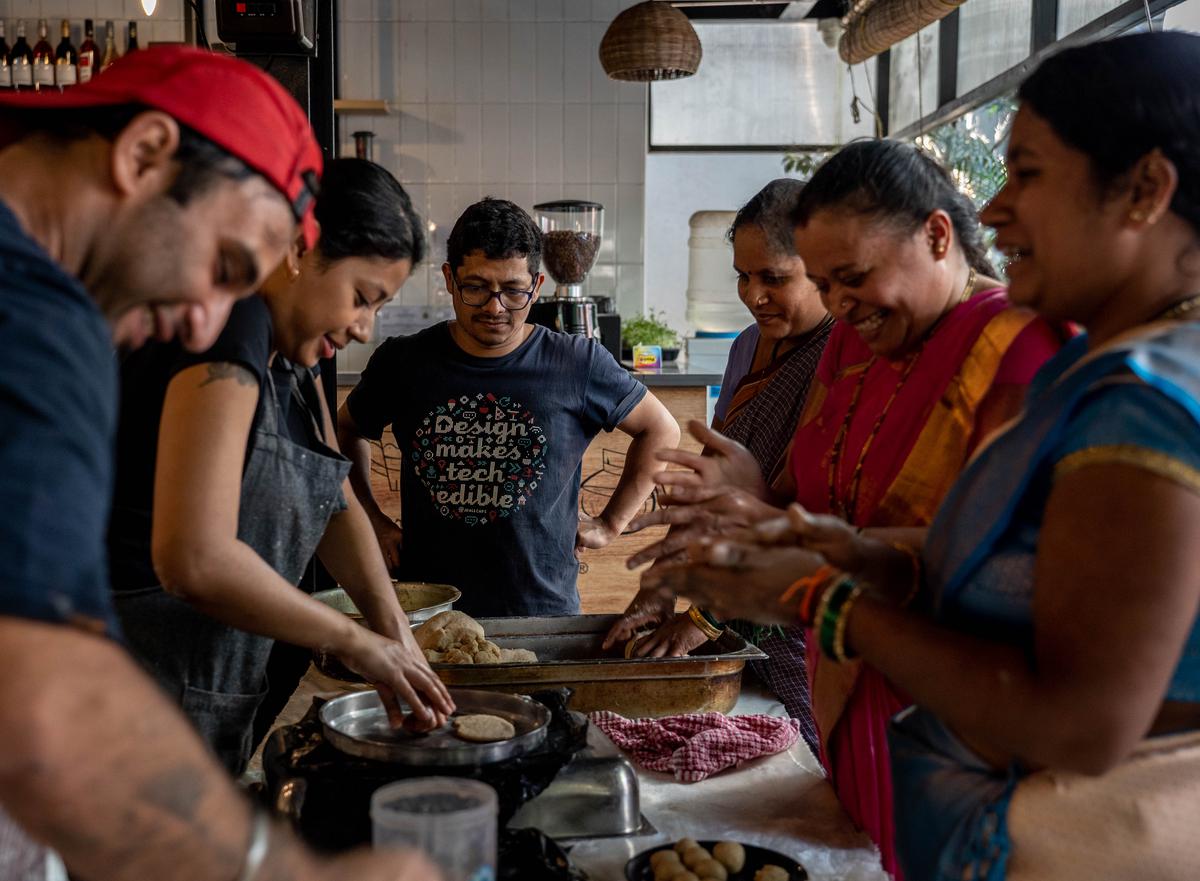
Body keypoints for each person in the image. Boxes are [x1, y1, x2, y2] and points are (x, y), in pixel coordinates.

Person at [652, 31, 1200, 881]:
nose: (998, 208)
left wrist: (819, 594)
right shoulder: (1126, 372)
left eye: (1029, 174)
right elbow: (1034, 569)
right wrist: (843, 547)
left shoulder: (1146, 404)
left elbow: (1083, 724)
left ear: (1146, 191)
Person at [0, 47, 436, 881]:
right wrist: (283, 870)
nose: (205, 326)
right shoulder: (38, 321)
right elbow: (45, 690)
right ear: (141, 155)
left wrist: (390, 627)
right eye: (229, 269)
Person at [632, 140, 1063, 877]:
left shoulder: (1021, 350)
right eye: (826, 283)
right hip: (848, 691)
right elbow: (814, 509)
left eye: (852, 278)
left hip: (966, 718)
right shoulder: (849, 345)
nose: (836, 305)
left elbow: (1022, 575)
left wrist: (795, 560)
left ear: (936, 235)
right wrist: (749, 504)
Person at [109, 157, 453, 775]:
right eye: (361, 298)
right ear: (300, 247)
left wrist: (396, 634)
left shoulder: (295, 355)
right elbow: (195, 559)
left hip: (211, 687)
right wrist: (356, 642)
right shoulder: (228, 329)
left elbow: (334, 499)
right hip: (133, 691)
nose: (363, 328)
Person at [338, 198, 680, 618]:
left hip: (542, 611)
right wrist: (373, 520)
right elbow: (345, 432)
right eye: (476, 287)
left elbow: (661, 430)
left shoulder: (577, 363)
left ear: (536, 286)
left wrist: (611, 524)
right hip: (429, 609)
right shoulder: (403, 362)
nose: (495, 307)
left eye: (513, 291)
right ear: (450, 278)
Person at [603, 178, 832, 751]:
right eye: (743, 276)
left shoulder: (843, 358)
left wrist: (703, 620)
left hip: (796, 623)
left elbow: (801, 517)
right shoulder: (744, 347)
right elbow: (709, 479)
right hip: (729, 617)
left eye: (774, 278)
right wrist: (659, 586)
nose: (753, 296)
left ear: (822, 266)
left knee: (807, 763)